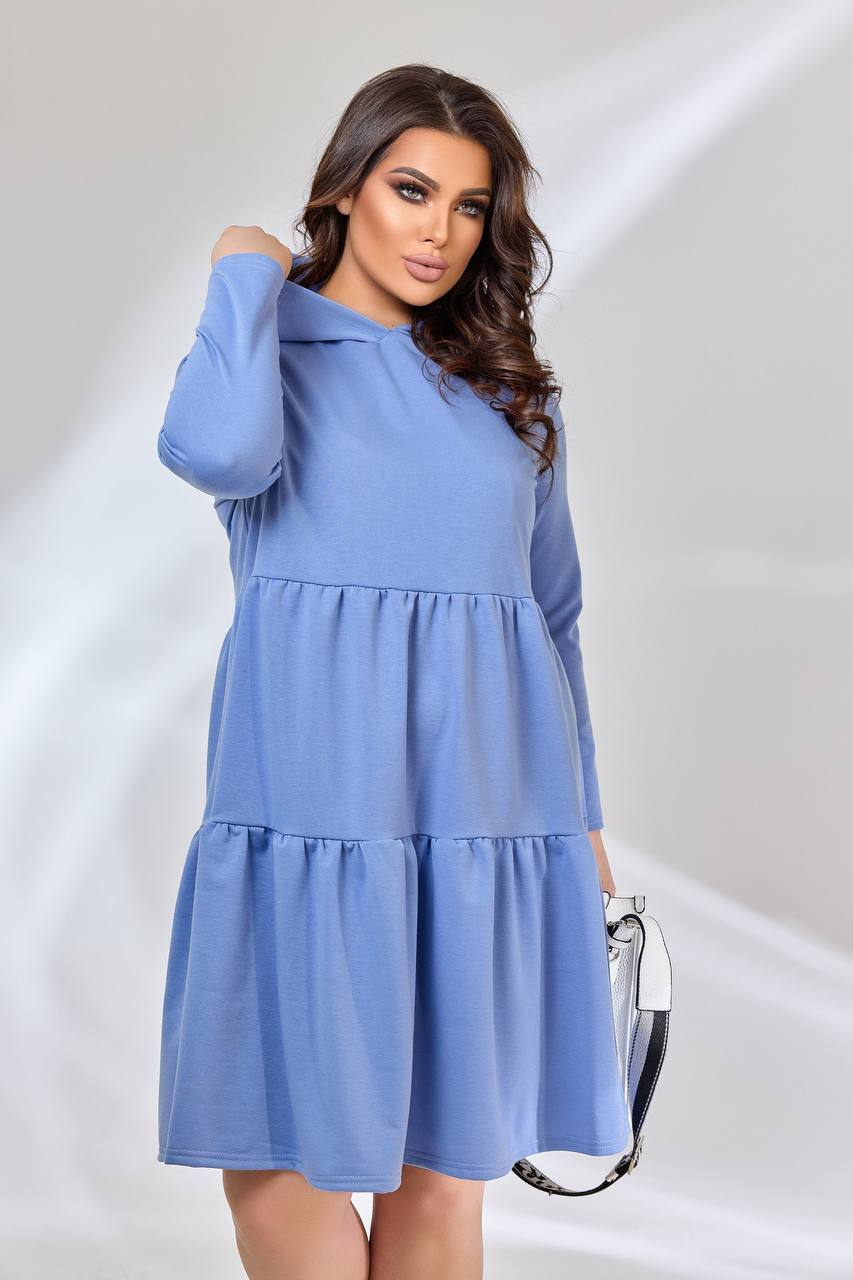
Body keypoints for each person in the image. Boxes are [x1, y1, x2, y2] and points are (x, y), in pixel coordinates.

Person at [155, 62, 630, 1280]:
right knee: (274, 1170)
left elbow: (554, 615)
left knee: (440, 1182)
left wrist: (582, 824)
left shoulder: (509, 393)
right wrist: (243, 269)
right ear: (343, 190)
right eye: (411, 190)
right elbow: (215, 452)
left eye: (469, 206)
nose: (440, 232)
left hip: (477, 823)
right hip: (305, 812)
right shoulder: (265, 348)